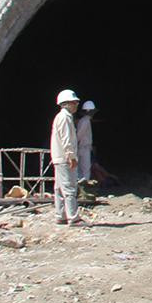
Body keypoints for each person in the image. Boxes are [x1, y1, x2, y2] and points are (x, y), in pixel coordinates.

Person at [51, 89, 82, 226]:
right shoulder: (65, 118)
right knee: (69, 188)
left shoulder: (60, 117)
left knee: (59, 188)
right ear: (67, 103)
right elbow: (67, 139)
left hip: (59, 158)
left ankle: (61, 215)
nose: (76, 104)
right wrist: (71, 156)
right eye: (74, 102)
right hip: (64, 159)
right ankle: (73, 218)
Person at [76, 100, 96, 184]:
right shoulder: (86, 121)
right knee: (85, 169)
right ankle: (85, 188)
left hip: (82, 147)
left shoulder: (83, 120)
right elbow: (79, 134)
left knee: (81, 169)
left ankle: (80, 189)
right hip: (83, 148)